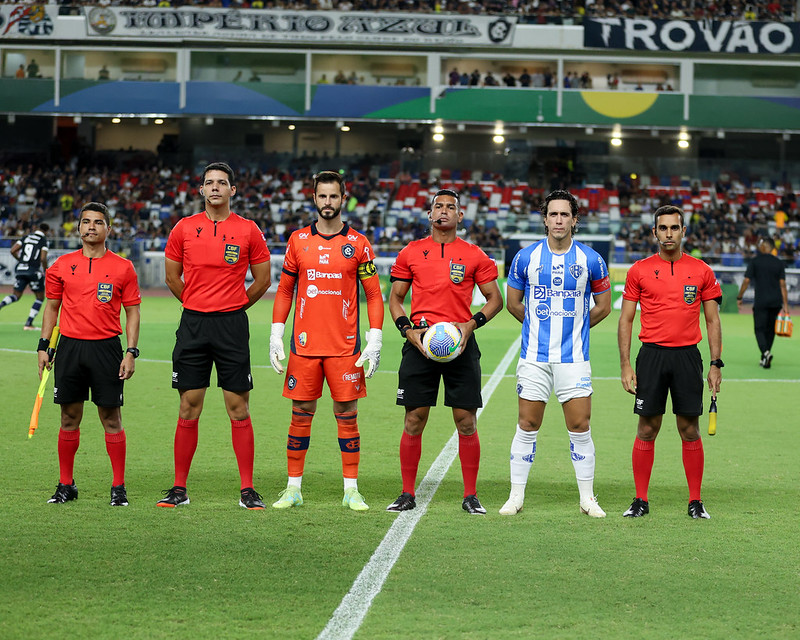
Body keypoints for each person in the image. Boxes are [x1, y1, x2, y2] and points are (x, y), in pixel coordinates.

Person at [269, 171, 384, 511]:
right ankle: (293, 489)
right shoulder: (298, 241)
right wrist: (277, 333)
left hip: (345, 348)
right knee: (300, 413)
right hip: (304, 347)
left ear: (343, 198)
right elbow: (286, 289)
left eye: (334, 197)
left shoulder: (359, 244)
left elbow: (374, 296)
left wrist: (374, 338)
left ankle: (351, 489)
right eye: (323, 197)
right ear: (314, 198)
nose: (328, 203)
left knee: (347, 414)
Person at [158, 162, 271, 510]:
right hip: (193, 325)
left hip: (231, 326)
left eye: (222, 182)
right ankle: (179, 488)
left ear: (232, 190)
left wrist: (234, 307)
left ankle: (248, 489)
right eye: (210, 183)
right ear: (202, 190)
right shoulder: (184, 228)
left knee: (238, 407)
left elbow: (263, 279)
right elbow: (172, 277)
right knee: (188, 405)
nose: (216, 188)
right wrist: (196, 305)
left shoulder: (249, 230)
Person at [386, 189, 503, 514]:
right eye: (438, 206)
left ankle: (470, 495)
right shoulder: (411, 252)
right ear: (429, 214)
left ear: (460, 216)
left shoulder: (474, 254)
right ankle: (407, 493)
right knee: (414, 419)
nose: (444, 211)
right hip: (420, 343)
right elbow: (395, 298)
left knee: (466, 421)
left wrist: (471, 324)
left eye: (451, 207)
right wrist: (407, 331)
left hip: (460, 344)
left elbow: (496, 299)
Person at [499, 190, 611, 517]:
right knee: (527, 424)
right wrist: (536, 325)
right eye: (553, 215)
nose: (558, 220)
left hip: (573, 358)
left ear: (575, 220)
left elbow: (603, 306)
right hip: (534, 356)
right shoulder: (525, 257)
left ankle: (587, 498)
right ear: (545, 219)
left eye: (565, 215)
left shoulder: (590, 259)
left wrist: (576, 328)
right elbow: (513, 303)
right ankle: (515, 496)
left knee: (580, 426)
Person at [618, 205, 723, 519]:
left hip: (687, 357)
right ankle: (640, 500)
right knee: (647, 427)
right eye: (662, 228)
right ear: (654, 232)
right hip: (651, 356)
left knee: (689, 428)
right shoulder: (639, 270)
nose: (668, 234)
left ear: (683, 232)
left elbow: (713, 321)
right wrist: (625, 364)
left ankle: (695, 501)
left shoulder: (701, 271)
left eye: (674, 228)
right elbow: (625, 321)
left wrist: (716, 363)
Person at [38, 202, 141, 507]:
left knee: (111, 417)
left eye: (98, 222)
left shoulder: (124, 267)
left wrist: (131, 351)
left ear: (108, 229)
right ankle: (66, 485)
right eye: (86, 222)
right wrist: (43, 346)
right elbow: (52, 308)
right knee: (69, 416)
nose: (91, 227)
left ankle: (118, 487)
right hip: (69, 348)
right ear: (79, 228)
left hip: (107, 348)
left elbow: (132, 312)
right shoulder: (60, 265)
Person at [736, 236, 790, 368]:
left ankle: (765, 353)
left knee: (759, 329)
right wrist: (786, 306)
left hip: (761, 301)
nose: (759, 246)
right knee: (770, 330)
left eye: (761, 244)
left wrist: (740, 297)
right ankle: (765, 357)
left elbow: (746, 281)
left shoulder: (755, 262)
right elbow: (783, 285)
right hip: (776, 302)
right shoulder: (779, 263)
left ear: (765, 246)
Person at [0, 223, 50, 330]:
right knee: (40, 297)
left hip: (21, 269)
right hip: (33, 271)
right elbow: (42, 258)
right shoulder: (43, 240)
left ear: (37, 228)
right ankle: (28, 324)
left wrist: (21, 261)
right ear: (46, 231)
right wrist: (46, 270)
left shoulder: (26, 237)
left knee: (16, 296)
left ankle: (1, 305)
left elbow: (12, 250)